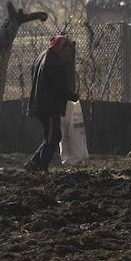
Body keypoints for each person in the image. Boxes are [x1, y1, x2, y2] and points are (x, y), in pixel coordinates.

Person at [24, 34, 80, 171]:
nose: (67, 54)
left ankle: (33, 163)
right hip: (49, 107)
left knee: (51, 137)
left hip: (42, 104)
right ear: (61, 48)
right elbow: (59, 87)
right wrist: (72, 96)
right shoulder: (54, 63)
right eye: (66, 50)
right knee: (53, 137)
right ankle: (42, 167)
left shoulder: (44, 56)